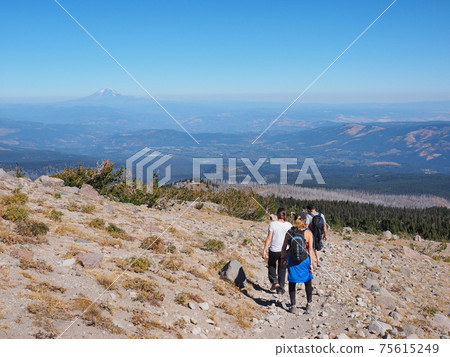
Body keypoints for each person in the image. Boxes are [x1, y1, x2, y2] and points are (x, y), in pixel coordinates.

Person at [281, 212, 315, 314]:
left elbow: (283, 248)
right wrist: (312, 265)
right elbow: (311, 251)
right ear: (304, 221)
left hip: (292, 260)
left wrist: (283, 258)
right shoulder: (308, 233)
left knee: (292, 282)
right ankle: (309, 304)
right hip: (305, 261)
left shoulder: (289, 232)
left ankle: (293, 306)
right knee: (307, 281)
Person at [263, 208, 292, 294]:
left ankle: (274, 281)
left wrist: (265, 249)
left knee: (271, 265)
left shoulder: (273, 224)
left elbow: (269, 238)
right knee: (282, 269)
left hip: (274, 249)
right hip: (285, 250)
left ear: (277, 215)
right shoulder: (289, 225)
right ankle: (281, 288)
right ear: (285, 215)